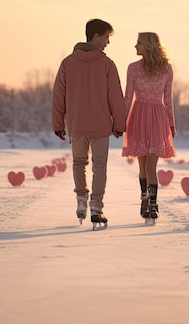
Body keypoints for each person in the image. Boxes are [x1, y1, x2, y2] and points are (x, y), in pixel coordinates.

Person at [52, 18, 126, 227]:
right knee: (99, 166)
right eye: (106, 38)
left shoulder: (67, 62)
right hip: (101, 125)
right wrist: (119, 125)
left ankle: (81, 203)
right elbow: (116, 98)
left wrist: (58, 124)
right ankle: (96, 208)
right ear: (96, 36)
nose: (107, 43)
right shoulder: (107, 64)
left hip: (77, 124)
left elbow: (59, 96)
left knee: (78, 163)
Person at [122, 32, 176, 223]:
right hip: (138, 116)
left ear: (148, 45)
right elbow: (127, 97)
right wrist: (121, 120)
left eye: (138, 43)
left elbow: (168, 99)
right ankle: (145, 199)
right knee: (143, 165)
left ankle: (152, 204)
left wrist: (171, 123)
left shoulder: (167, 69)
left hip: (157, 117)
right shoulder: (133, 68)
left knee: (151, 164)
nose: (135, 46)